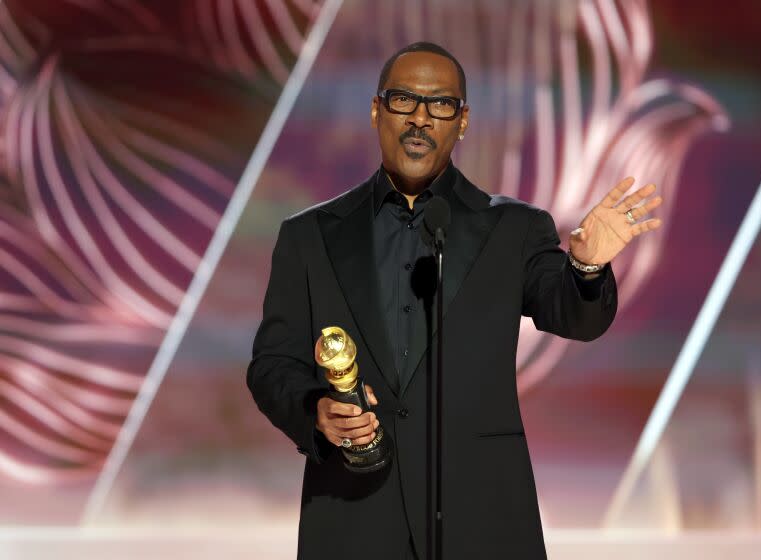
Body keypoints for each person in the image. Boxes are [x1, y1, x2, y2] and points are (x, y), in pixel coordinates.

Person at [247, 42, 662, 560]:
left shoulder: (513, 228)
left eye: (440, 105)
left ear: (462, 121)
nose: (420, 118)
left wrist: (586, 265)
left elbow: (574, 314)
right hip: (354, 519)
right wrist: (317, 411)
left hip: (481, 520)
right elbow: (273, 364)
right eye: (403, 101)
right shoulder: (308, 236)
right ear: (377, 110)